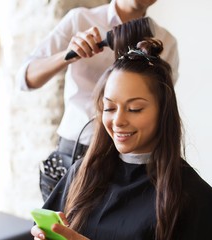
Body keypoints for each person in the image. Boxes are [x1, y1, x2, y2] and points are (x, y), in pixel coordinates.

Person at [22, 38, 212, 240]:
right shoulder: (82, 173)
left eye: (135, 109)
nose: (118, 121)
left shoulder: (187, 195)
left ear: (163, 113)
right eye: (109, 108)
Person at [17, 0, 179, 201]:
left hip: (129, 159)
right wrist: (68, 55)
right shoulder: (81, 20)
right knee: (59, 229)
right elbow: (25, 78)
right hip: (75, 150)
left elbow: (162, 108)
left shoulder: (166, 42)